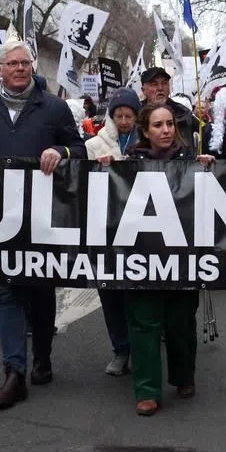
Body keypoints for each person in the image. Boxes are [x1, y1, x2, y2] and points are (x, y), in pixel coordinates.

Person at [0, 39, 87, 410]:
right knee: (8, 291)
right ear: (0, 70)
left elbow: (79, 149)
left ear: (32, 67)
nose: (20, 68)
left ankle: (42, 355)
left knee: (40, 292)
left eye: (25, 63)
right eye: (12, 63)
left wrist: (60, 151)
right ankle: (14, 371)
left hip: (43, 218)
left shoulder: (55, 108)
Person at [98, 104, 214, 415]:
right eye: (158, 125)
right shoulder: (130, 163)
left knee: (180, 323)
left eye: (169, 124)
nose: (165, 130)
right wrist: (106, 168)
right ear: (145, 131)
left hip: (181, 258)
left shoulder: (191, 161)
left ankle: (183, 375)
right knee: (143, 323)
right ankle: (146, 389)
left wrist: (208, 168)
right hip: (142, 259)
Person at [84, 87, 143, 376]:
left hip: (141, 230)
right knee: (110, 292)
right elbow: (81, 179)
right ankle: (121, 349)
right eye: (118, 115)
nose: (123, 121)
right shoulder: (95, 144)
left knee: (139, 292)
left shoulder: (146, 142)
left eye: (128, 115)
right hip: (106, 229)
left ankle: (142, 345)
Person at [140, 66, 200, 149]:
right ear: (143, 90)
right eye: (154, 84)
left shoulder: (183, 113)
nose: (160, 88)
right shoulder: (135, 114)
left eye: (164, 83)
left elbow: (207, 135)